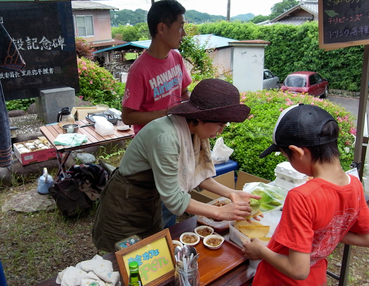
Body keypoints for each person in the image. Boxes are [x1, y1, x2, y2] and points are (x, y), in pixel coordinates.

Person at [242, 104, 369, 286]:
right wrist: (326, 232)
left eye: (286, 156)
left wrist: (260, 251)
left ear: (298, 152)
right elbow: (368, 239)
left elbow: (297, 269)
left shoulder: (302, 196)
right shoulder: (354, 184)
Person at [92, 79, 258, 252]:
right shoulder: (166, 137)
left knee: (150, 250)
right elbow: (174, 200)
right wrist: (219, 212)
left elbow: (198, 175)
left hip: (151, 198)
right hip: (126, 201)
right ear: (202, 118)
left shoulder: (193, 131)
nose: (220, 131)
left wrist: (232, 193)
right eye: (220, 124)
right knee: (123, 256)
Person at [121, 0, 192, 228]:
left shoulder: (176, 58)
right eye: (180, 26)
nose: (183, 32)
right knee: (161, 203)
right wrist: (168, 112)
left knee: (174, 194)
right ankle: (160, 245)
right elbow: (128, 116)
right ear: (162, 28)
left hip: (176, 139)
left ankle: (168, 238)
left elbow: (185, 92)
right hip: (152, 147)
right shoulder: (139, 70)